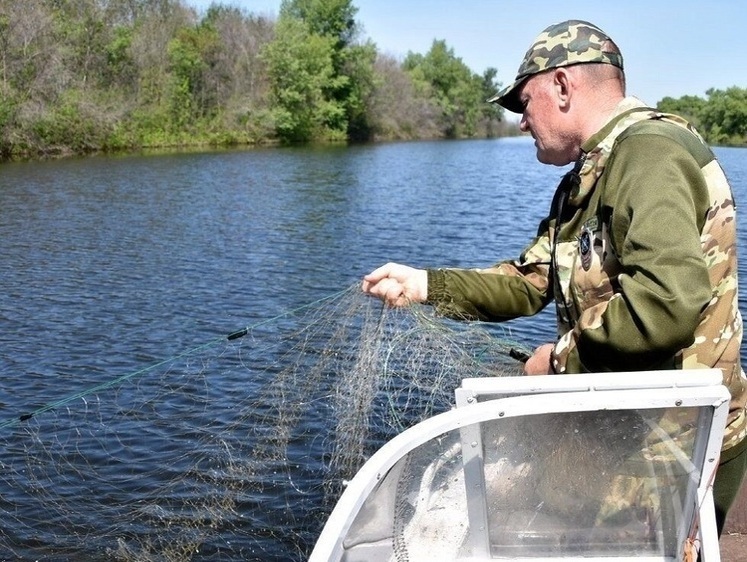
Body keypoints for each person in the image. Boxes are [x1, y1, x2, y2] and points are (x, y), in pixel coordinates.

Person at [361, 19, 747, 537]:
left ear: (562, 87)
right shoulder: (585, 180)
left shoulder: (651, 154)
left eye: (524, 103)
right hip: (621, 428)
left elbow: (663, 308)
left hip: (673, 447)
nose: (521, 122)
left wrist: (558, 362)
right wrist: (425, 285)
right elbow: (527, 281)